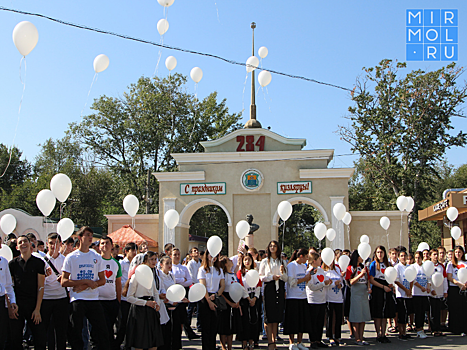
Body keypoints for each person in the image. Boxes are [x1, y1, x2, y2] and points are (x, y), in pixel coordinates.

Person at [61, 226, 110, 350]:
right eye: (87, 235)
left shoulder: (96, 256)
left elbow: (102, 280)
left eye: (91, 235)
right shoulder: (71, 257)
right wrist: (85, 281)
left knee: (102, 331)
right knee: (75, 331)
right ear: (79, 238)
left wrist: (86, 285)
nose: (90, 238)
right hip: (77, 299)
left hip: (93, 299)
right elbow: (64, 281)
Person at [8, 235, 47, 350]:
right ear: (17, 247)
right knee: (15, 339)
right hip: (18, 306)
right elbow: (9, 286)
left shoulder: (39, 263)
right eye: (20, 242)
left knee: (40, 338)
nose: (23, 243)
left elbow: (41, 286)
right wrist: (11, 306)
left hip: (34, 305)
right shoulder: (12, 264)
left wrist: (37, 309)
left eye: (25, 241)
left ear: (31, 244)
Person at [125, 252, 164, 350]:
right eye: (151, 259)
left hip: (151, 310)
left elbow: (155, 292)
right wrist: (146, 303)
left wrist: (157, 304)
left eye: (155, 259)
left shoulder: (151, 275)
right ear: (144, 261)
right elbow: (129, 297)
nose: (154, 262)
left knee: (153, 343)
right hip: (139, 311)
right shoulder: (135, 277)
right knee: (140, 342)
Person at [41, 233, 69, 350]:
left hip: (61, 298)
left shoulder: (66, 260)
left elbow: (70, 278)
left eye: (56, 243)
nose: (53, 246)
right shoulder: (41, 260)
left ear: (61, 244)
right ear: (47, 244)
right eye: (51, 243)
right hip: (46, 298)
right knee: (47, 330)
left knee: (61, 330)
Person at [94, 236, 122, 349]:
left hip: (112, 300)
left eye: (107, 243)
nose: (104, 245)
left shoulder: (116, 263)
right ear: (99, 246)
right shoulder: (96, 261)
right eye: (102, 243)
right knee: (100, 328)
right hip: (98, 300)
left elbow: (118, 284)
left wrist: (118, 301)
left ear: (111, 246)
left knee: (110, 327)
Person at [259, 240, 287, 350]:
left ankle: (274, 341)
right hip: (269, 288)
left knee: (276, 317)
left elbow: (286, 278)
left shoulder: (282, 261)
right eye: (270, 246)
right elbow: (261, 277)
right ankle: (270, 342)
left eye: (274, 246)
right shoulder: (265, 261)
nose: (272, 248)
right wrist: (271, 277)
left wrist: (282, 273)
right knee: (269, 317)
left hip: (279, 288)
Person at [198, 250, 225, 350]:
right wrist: (209, 301)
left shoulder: (219, 270)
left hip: (215, 297)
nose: (213, 256)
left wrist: (217, 295)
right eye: (211, 254)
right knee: (206, 327)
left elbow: (222, 285)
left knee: (214, 326)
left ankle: (212, 347)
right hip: (205, 298)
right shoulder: (202, 269)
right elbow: (202, 285)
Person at [369, 245, 396, 343]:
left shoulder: (388, 264)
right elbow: (371, 280)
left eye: (381, 252)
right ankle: (378, 334)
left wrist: (390, 285)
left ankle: (384, 334)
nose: (380, 254)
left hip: (386, 287)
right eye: (378, 252)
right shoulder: (373, 264)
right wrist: (382, 287)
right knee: (378, 313)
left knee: (385, 313)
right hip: (378, 288)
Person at [284, 248, 309, 350]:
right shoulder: (291, 265)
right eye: (306, 257)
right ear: (301, 256)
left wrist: (308, 279)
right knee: (292, 321)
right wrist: (304, 279)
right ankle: (291, 343)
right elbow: (292, 282)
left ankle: (300, 342)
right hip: (293, 297)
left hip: (302, 296)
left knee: (301, 321)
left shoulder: (304, 266)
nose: (307, 259)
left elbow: (305, 282)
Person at [345, 250, 371, 346]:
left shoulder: (364, 267)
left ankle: (362, 336)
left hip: (364, 292)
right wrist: (360, 274)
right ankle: (357, 338)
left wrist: (368, 287)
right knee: (356, 316)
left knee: (363, 315)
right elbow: (350, 282)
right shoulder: (351, 268)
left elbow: (367, 279)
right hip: (355, 292)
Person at [171, 247, 197, 341]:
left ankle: (179, 341)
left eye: (178, 254)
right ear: (171, 256)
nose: (177, 256)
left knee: (181, 321)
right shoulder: (170, 267)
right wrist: (182, 280)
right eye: (175, 254)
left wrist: (179, 281)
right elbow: (171, 281)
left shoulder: (183, 268)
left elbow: (189, 281)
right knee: (173, 321)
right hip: (172, 297)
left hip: (182, 296)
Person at [306, 252, 331, 349]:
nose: (321, 261)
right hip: (313, 300)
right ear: (314, 260)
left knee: (320, 321)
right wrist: (323, 284)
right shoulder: (310, 271)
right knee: (313, 322)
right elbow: (311, 286)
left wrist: (328, 282)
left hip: (322, 299)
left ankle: (318, 340)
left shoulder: (321, 270)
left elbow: (324, 281)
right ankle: (313, 341)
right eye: (319, 259)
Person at [237, 252, 261, 350]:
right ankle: (244, 342)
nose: (247, 262)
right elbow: (240, 286)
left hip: (254, 299)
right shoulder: (240, 272)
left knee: (253, 321)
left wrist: (255, 298)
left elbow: (258, 285)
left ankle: (252, 341)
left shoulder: (255, 271)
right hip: (244, 299)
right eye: (245, 260)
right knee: (244, 321)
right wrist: (247, 298)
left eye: (249, 260)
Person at [117, 242, 137, 349]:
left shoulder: (136, 264)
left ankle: (128, 344)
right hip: (124, 298)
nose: (134, 253)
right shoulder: (121, 264)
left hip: (133, 297)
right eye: (132, 250)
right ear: (126, 251)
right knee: (123, 323)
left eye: (135, 251)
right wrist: (129, 283)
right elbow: (119, 280)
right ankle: (117, 343)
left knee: (132, 323)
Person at [219, 256, 241, 350]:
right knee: (224, 325)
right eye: (228, 260)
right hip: (225, 300)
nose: (231, 261)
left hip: (234, 299)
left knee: (231, 326)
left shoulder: (233, 274)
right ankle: (223, 346)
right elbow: (222, 291)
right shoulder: (223, 275)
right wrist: (229, 303)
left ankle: (230, 347)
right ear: (225, 264)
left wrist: (237, 301)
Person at [446, 245, 467, 335]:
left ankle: (465, 328)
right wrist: (458, 284)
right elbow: (449, 277)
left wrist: (465, 284)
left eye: (460, 252)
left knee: (464, 309)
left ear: (463, 253)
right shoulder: (451, 264)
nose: (458, 254)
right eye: (456, 252)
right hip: (454, 288)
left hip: (465, 288)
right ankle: (456, 329)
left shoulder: (465, 263)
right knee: (455, 308)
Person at [323, 258, 344, 346]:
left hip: (338, 298)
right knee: (330, 318)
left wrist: (340, 285)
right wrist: (333, 284)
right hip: (329, 298)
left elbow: (342, 282)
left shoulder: (337, 270)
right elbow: (324, 284)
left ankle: (337, 336)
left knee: (339, 318)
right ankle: (330, 336)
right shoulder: (324, 272)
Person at [0, 240, 17, 349]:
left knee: (2, 335)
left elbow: (8, 285)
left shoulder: (4, 262)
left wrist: (13, 301)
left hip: (1, 301)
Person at [394, 250, 413, 341]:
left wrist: (410, 289)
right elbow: (396, 280)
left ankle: (404, 332)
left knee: (406, 314)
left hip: (408, 294)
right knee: (401, 314)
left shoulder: (409, 267)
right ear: (398, 257)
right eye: (401, 256)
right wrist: (405, 290)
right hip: (400, 294)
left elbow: (412, 279)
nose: (403, 257)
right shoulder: (397, 267)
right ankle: (400, 332)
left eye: (405, 256)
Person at [429, 248, 447, 337]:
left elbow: (445, 279)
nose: (436, 256)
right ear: (430, 256)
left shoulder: (441, 266)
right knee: (432, 312)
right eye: (434, 254)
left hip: (439, 292)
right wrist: (431, 289)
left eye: (437, 254)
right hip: (431, 293)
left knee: (438, 311)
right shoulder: (428, 266)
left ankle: (438, 329)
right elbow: (427, 279)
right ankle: (433, 329)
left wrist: (445, 291)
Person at [412, 251, 430, 339]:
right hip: (416, 293)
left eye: (419, 257)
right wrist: (421, 287)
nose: (417, 259)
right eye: (416, 258)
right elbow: (413, 280)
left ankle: (422, 328)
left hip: (424, 294)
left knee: (423, 312)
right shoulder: (413, 267)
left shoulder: (425, 267)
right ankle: (418, 329)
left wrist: (428, 287)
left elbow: (429, 278)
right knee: (418, 312)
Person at [186, 247, 202, 333]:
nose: (197, 252)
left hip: (199, 286)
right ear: (191, 254)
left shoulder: (200, 263)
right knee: (191, 307)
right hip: (193, 286)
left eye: (197, 251)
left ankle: (199, 325)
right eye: (194, 251)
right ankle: (187, 325)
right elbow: (191, 276)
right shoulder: (190, 264)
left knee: (199, 307)